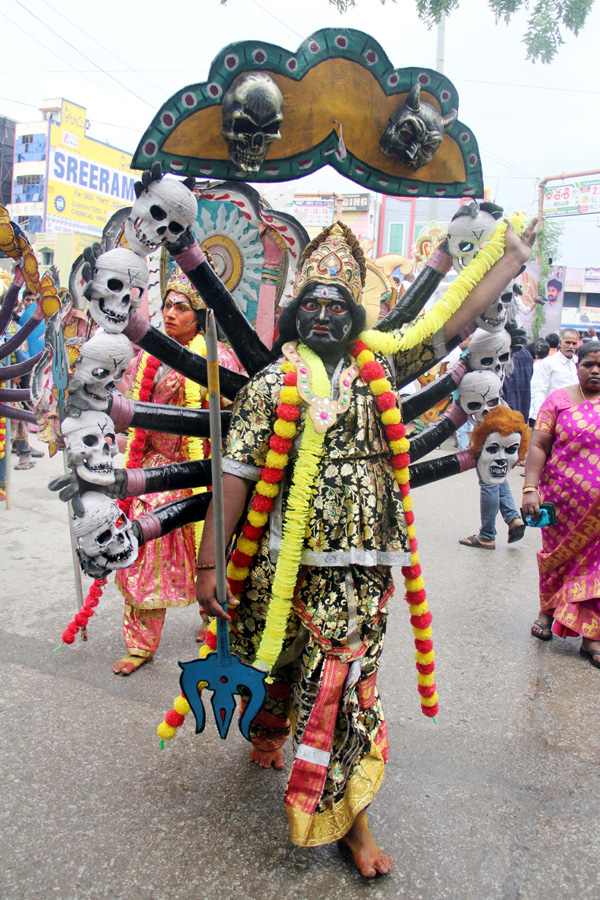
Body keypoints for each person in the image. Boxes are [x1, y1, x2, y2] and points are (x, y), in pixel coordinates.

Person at [196, 219, 535, 877]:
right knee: (278, 656)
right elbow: (233, 476)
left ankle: (345, 812)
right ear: (297, 314)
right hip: (284, 563)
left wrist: (511, 258)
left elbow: (448, 326)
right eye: (312, 306)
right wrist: (212, 561)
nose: (323, 316)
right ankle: (272, 733)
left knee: (344, 682)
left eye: (336, 307)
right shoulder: (273, 385)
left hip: (366, 566)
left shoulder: (379, 365)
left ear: (354, 316)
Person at [113, 269, 241, 675]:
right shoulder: (151, 356)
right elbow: (130, 410)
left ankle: (215, 633)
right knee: (140, 552)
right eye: (166, 305)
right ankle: (141, 644)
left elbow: (234, 417)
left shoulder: (217, 359)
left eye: (181, 308)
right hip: (155, 471)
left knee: (217, 556)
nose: (169, 314)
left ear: (200, 316)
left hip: (203, 472)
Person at [523, 340, 600, 667]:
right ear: (577, 365)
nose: (595, 371)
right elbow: (539, 445)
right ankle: (547, 609)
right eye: (589, 364)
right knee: (557, 559)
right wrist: (530, 488)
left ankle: (591, 637)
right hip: (562, 503)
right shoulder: (558, 401)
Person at [529, 329, 578, 426]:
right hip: (552, 416)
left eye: (574, 343)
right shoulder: (549, 363)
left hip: (574, 418)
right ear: (560, 342)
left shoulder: (579, 363)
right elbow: (540, 390)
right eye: (567, 342)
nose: (571, 346)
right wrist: (541, 416)